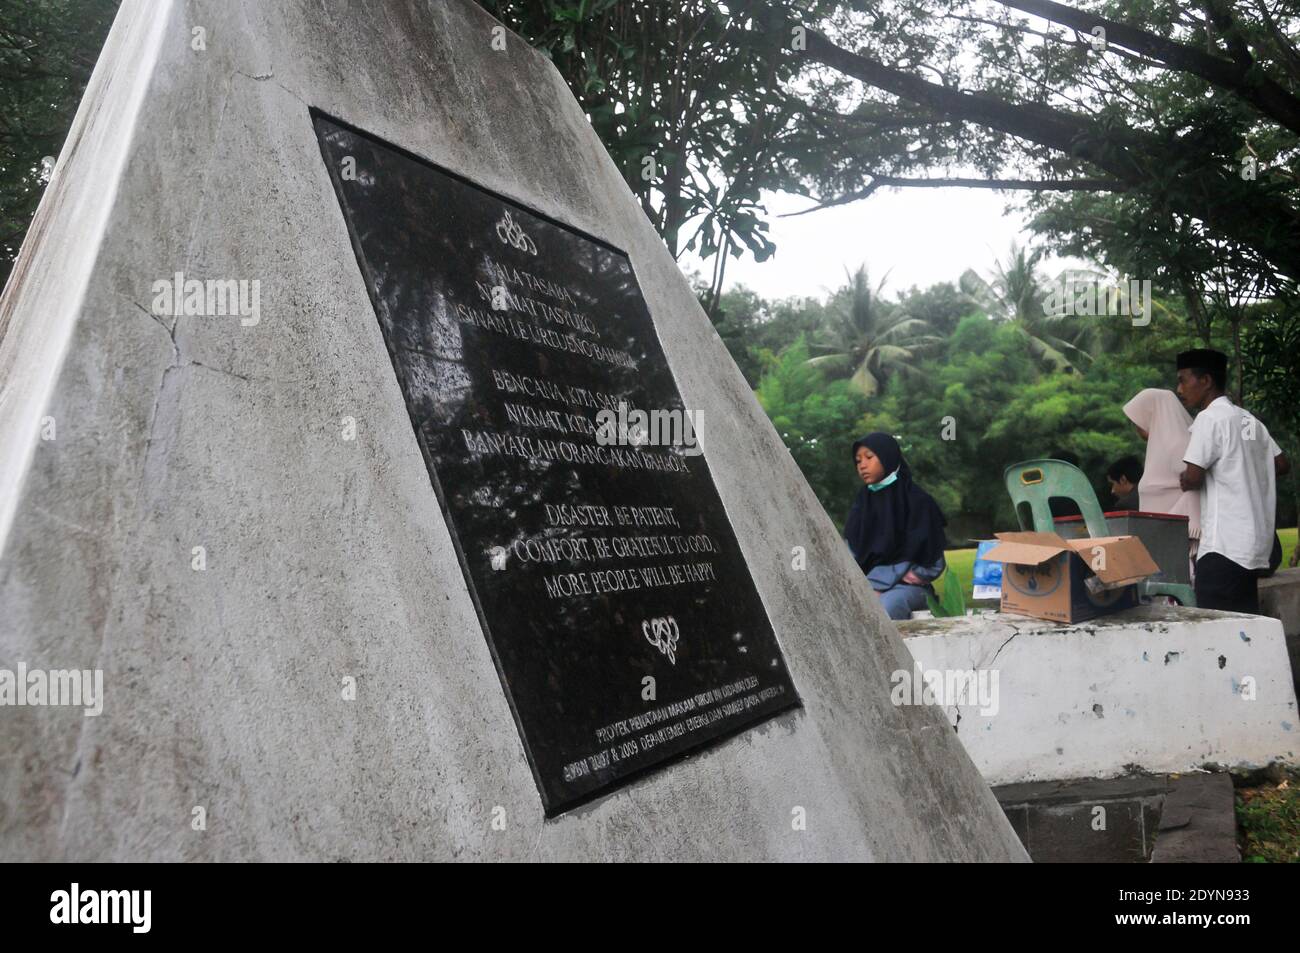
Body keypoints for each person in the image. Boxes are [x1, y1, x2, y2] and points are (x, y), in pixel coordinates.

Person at [1176, 349, 1291, 613]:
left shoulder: (1209, 418)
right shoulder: (1247, 419)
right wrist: (1248, 469)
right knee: (1244, 631)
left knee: (1217, 635)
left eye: (1183, 380)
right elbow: (1281, 463)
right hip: (1254, 549)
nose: (1179, 388)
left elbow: (1193, 476)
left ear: (1205, 381)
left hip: (1223, 548)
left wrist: (1184, 479)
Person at [844, 433, 948, 620]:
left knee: (883, 611)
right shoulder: (862, 505)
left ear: (887, 457)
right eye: (858, 461)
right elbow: (850, 554)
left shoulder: (917, 501)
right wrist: (865, 586)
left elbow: (933, 565)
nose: (862, 465)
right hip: (865, 586)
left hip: (910, 588)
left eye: (869, 457)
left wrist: (881, 583)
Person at [1122, 387, 1203, 574]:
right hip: (1162, 537)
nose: (1137, 429)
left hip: (1178, 540)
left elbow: (1194, 487)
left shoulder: (1177, 444)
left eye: (1138, 422)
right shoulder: (1158, 447)